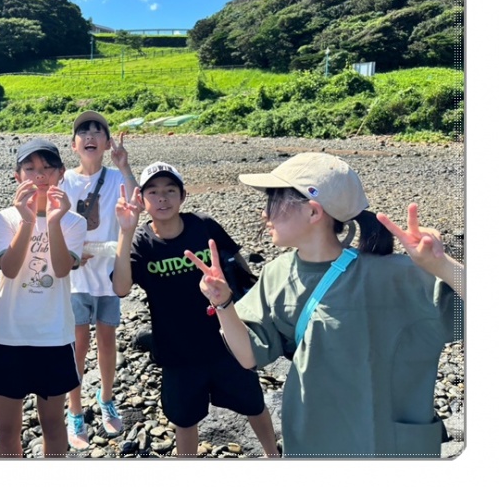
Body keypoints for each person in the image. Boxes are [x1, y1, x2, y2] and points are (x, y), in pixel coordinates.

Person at [185, 152, 464, 458]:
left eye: (274, 201)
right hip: (313, 440)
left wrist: (443, 266)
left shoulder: (398, 274)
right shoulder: (277, 274)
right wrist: (223, 302)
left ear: (313, 212)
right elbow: (249, 355)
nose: (264, 213)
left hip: (390, 449)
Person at [112, 162, 280, 458]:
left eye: (170, 191)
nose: (162, 198)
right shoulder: (141, 243)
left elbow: (240, 267)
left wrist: (249, 305)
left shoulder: (203, 225)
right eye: (153, 192)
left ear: (183, 196)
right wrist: (125, 232)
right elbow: (121, 288)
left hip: (226, 343)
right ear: (142, 199)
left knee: (254, 404)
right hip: (177, 353)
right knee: (185, 420)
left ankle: (273, 456)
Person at [0, 139, 87, 457]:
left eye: (48, 168)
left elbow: (62, 270)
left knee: (53, 425)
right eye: (30, 168)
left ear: (61, 173)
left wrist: (52, 221)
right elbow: (10, 269)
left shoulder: (73, 221)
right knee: (6, 429)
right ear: (17, 176)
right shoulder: (5, 218)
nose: (40, 175)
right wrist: (27, 220)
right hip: (8, 335)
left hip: (53, 336)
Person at [60, 111, 137, 449]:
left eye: (97, 131)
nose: (90, 135)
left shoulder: (116, 176)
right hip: (75, 275)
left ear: (107, 143)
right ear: (73, 145)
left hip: (108, 273)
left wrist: (125, 166)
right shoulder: (65, 180)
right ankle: (74, 410)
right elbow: (52, 220)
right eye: (83, 131)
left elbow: (136, 204)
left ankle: (106, 397)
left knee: (107, 340)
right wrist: (71, 251)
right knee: (77, 345)